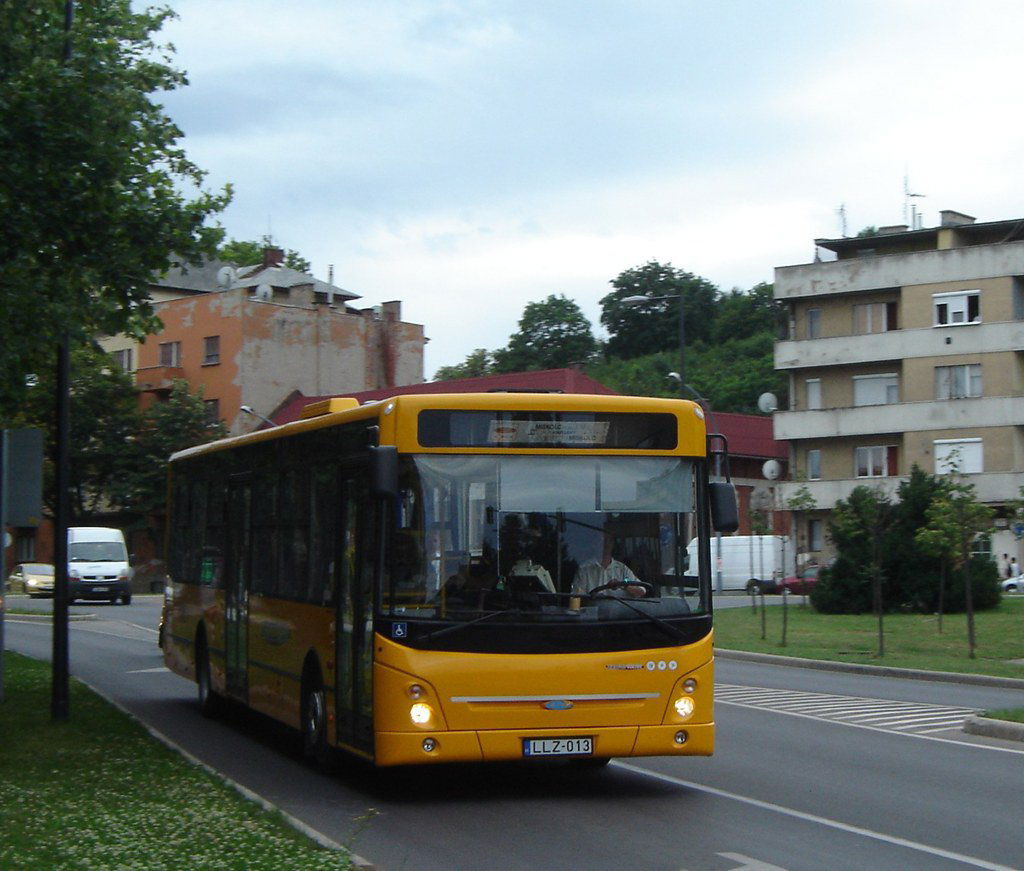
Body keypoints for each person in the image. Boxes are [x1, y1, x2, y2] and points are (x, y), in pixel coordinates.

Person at [573, 532, 645, 596]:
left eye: (609, 540)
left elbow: (642, 591)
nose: (606, 544)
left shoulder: (622, 569)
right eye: (602, 541)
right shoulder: (584, 569)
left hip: (619, 611)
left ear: (613, 544)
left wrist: (623, 585)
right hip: (593, 610)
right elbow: (577, 598)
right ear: (594, 545)